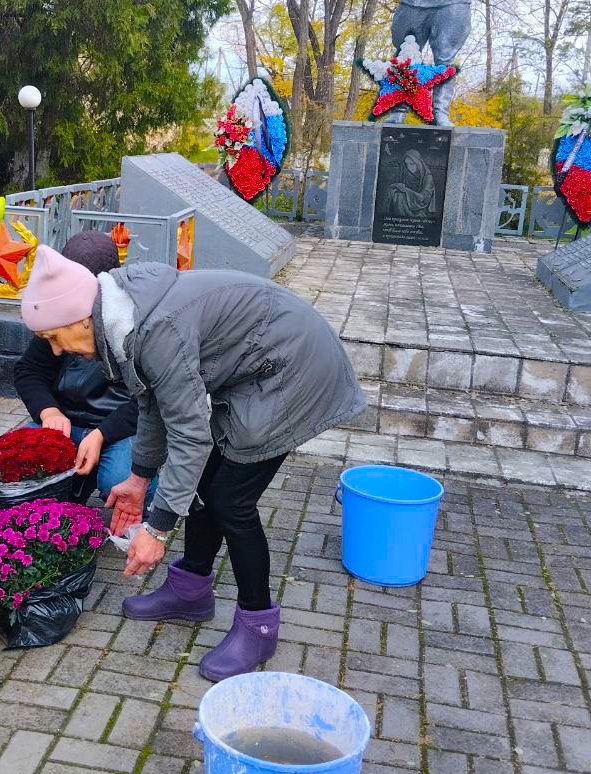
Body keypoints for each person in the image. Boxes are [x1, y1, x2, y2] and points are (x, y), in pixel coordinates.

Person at [19, 247, 365, 681]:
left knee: (231, 504)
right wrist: (139, 478)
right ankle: (191, 592)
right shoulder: (122, 318)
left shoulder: (155, 328)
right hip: (253, 369)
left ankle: (258, 626)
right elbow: (152, 403)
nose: (54, 352)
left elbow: (189, 434)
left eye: (53, 337)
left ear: (81, 319)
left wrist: (157, 530)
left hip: (292, 371)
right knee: (204, 486)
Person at [12, 231, 150, 507]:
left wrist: (102, 434)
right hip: (68, 422)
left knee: (120, 479)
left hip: (122, 430)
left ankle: (143, 495)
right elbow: (29, 371)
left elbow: (151, 400)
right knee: (18, 460)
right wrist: (48, 410)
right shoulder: (56, 317)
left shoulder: (135, 325)